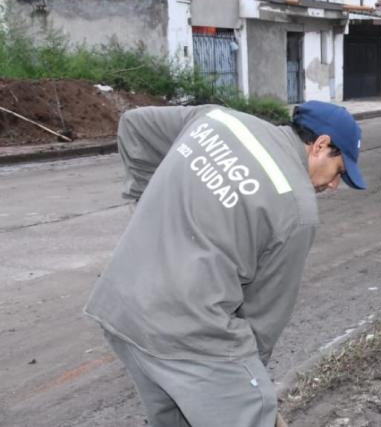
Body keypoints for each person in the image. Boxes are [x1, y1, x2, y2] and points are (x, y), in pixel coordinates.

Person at [84, 101, 366, 426]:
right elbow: (262, 323)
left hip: (122, 308)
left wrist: (145, 201)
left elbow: (134, 126)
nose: (334, 185)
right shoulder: (297, 210)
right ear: (320, 145)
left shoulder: (218, 120)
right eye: (339, 172)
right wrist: (248, 388)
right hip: (187, 332)